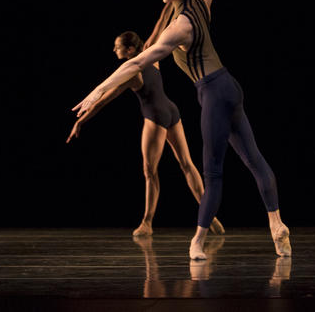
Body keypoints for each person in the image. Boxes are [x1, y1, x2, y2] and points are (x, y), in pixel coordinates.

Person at [73, 0, 288, 261]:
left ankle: (198, 241)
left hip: (214, 94)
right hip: (229, 86)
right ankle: (277, 224)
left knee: (213, 172)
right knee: (254, 160)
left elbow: (135, 64)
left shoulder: (181, 27)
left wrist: (95, 92)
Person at [68, 30, 225, 237]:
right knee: (187, 164)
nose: (114, 49)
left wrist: (81, 120)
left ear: (130, 50)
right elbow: (159, 26)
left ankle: (147, 222)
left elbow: (104, 99)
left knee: (150, 172)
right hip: (172, 111)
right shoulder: (152, 56)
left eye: (118, 46)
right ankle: (209, 217)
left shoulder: (132, 73)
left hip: (155, 117)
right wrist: (170, 5)